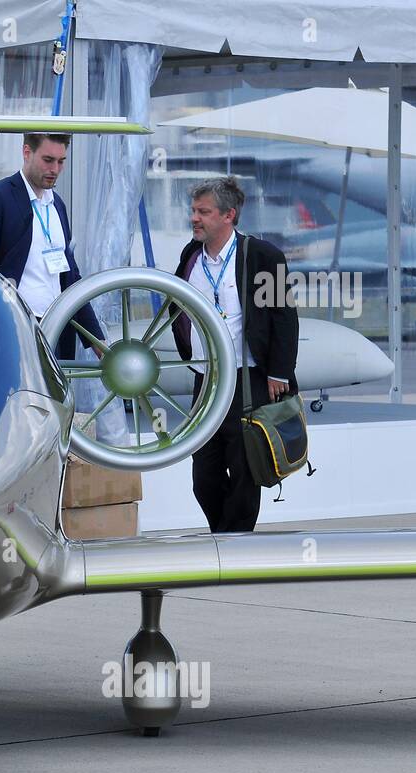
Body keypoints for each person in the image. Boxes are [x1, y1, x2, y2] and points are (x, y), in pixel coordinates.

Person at [170, 176, 298, 533]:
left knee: (246, 467)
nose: (195, 218)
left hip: (249, 380)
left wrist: (279, 373)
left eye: (204, 212)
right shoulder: (190, 255)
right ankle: (224, 533)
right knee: (204, 474)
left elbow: (284, 318)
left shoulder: (262, 256)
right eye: (194, 211)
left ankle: (233, 541)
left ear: (229, 215)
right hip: (207, 381)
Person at [0, 132, 105, 360]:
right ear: (26, 152)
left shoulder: (57, 204)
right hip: (14, 329)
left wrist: (99, 343)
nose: (55, 169)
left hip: (58, 328)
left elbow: (70, 277)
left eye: (61, 161)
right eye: (48, 160)